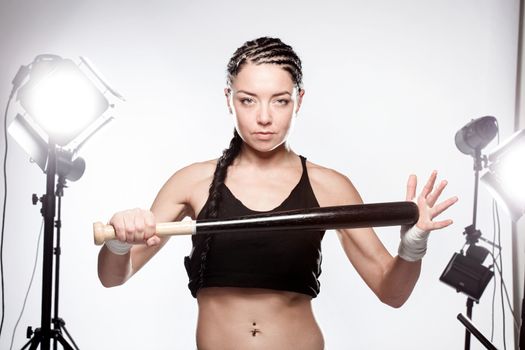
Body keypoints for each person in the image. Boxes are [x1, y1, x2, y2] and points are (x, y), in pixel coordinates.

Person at [97, 37, 458, 349]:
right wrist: (120, 242)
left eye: (280, 100)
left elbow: (391, 293)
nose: (264, 117)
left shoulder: (329, 186)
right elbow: (114, 276)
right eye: (248, 100)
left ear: (299, 100)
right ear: (229, 98)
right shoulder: (192, 182)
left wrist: (412, 248)